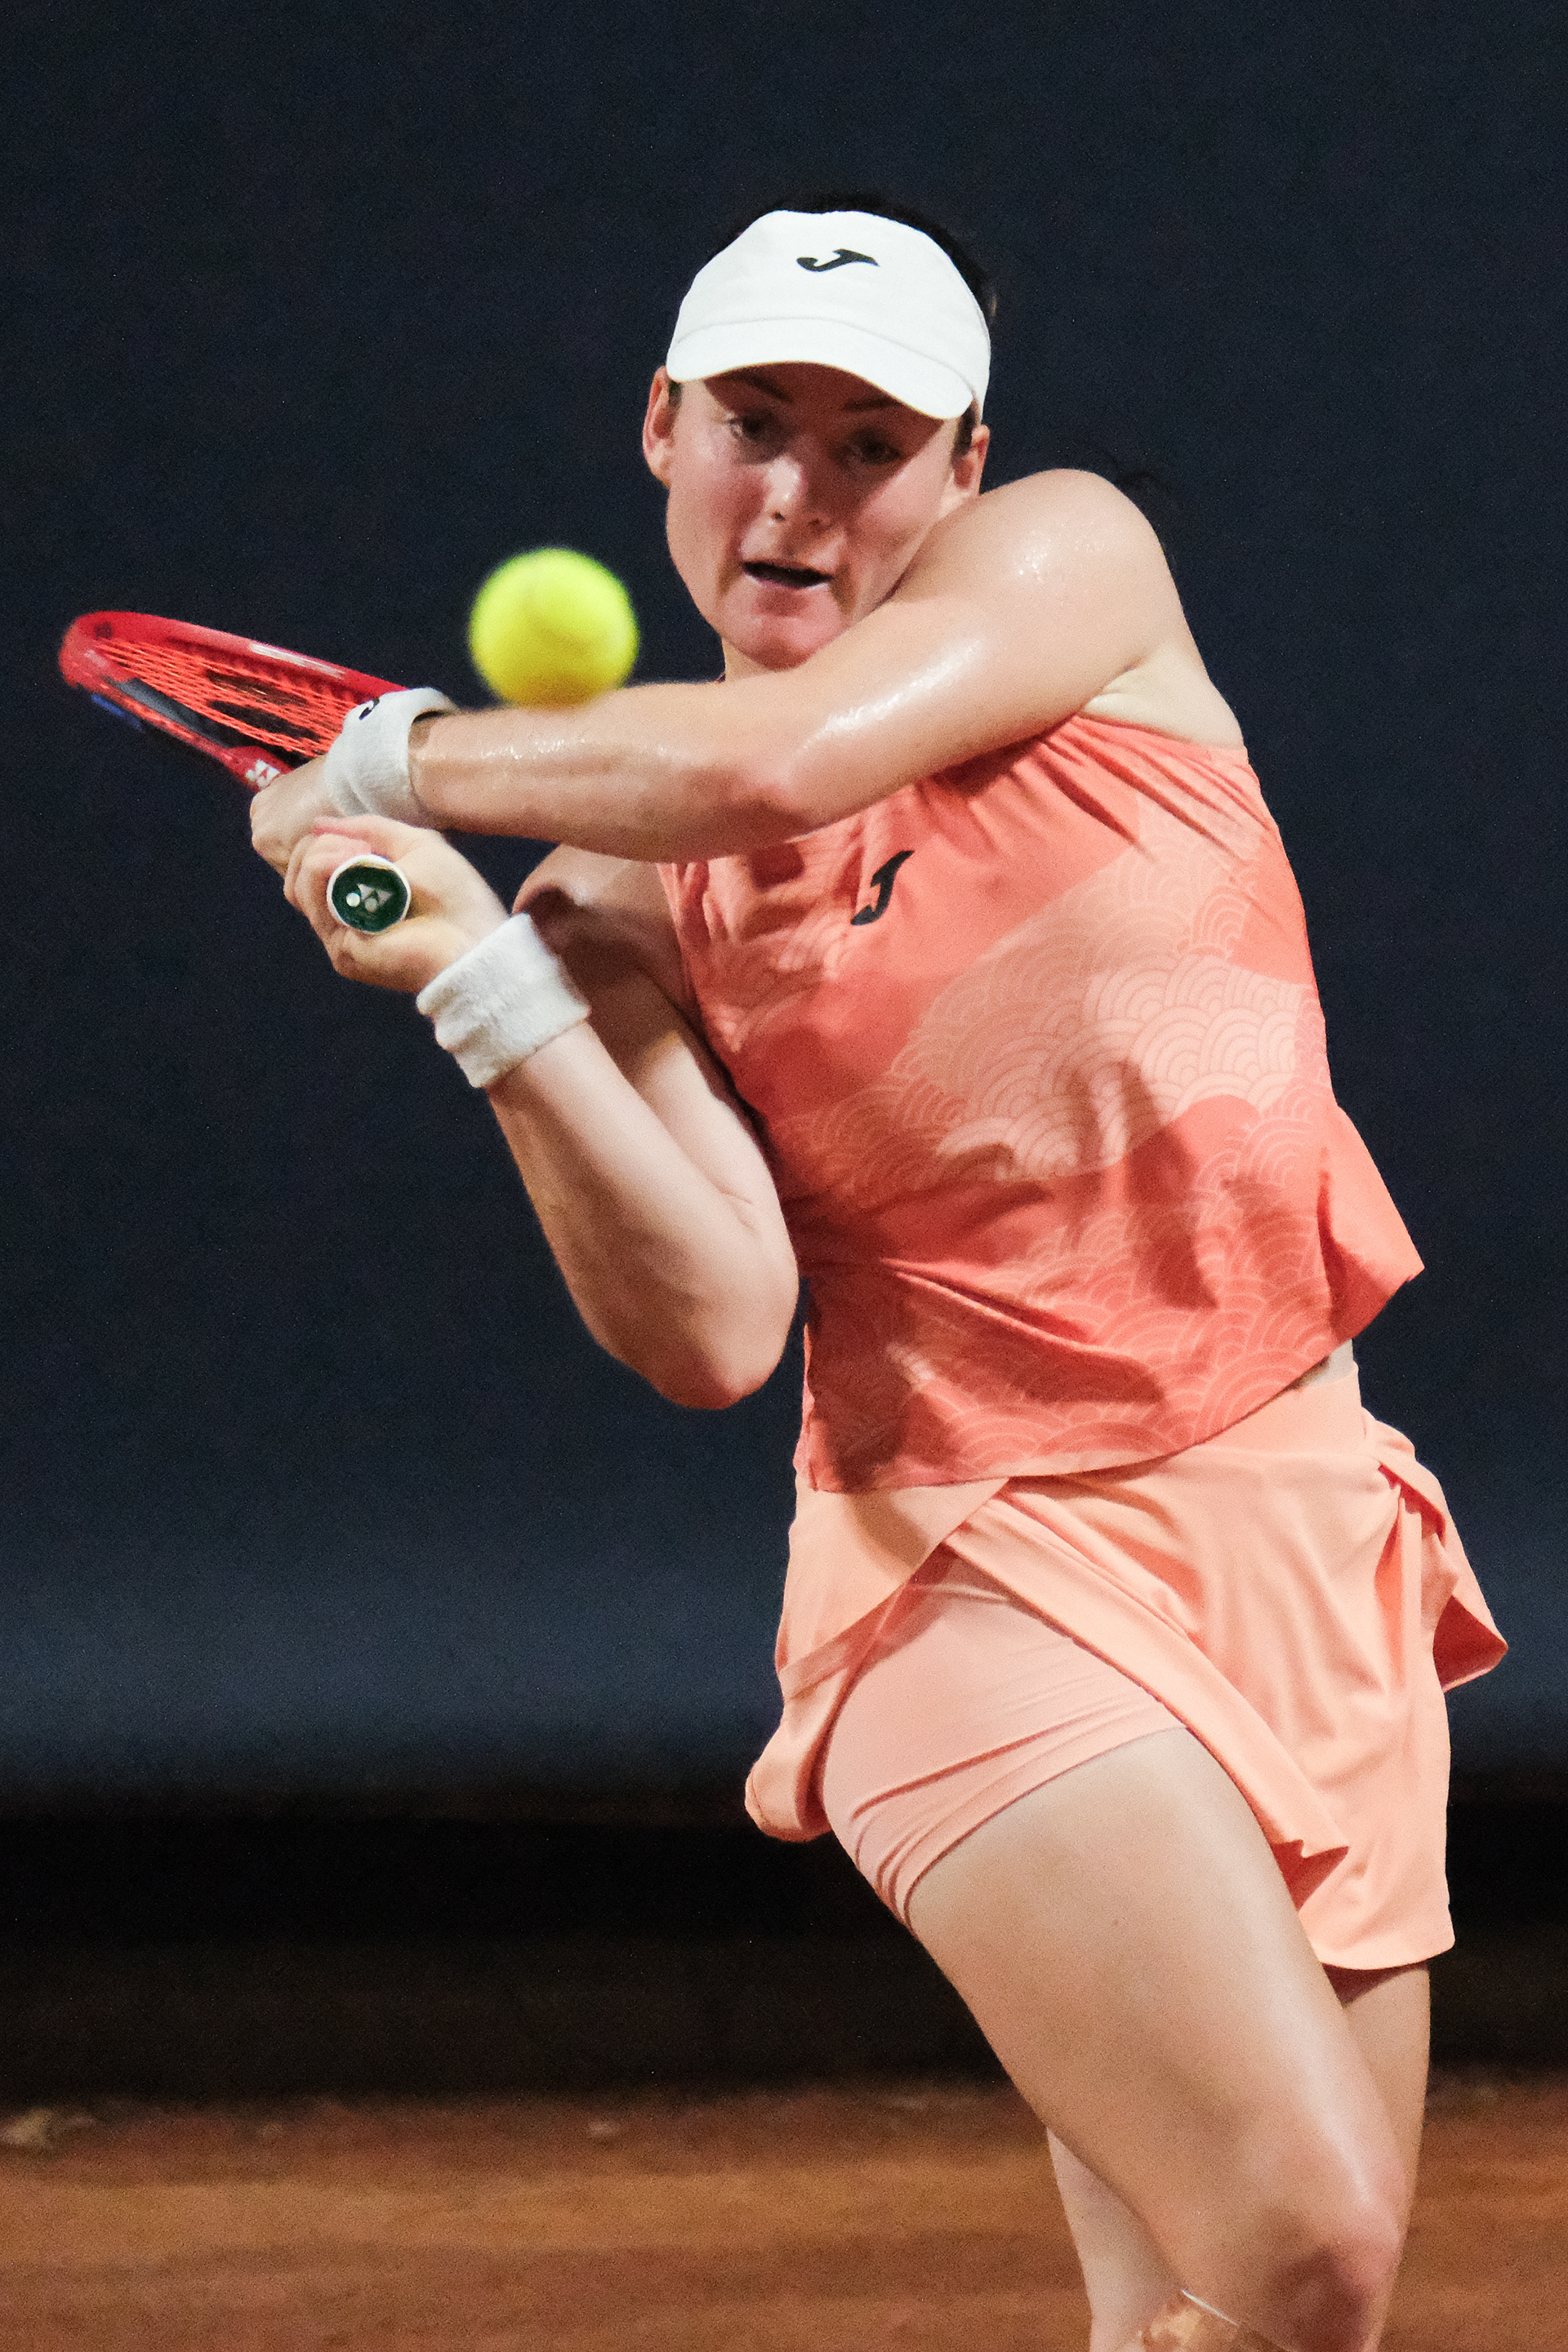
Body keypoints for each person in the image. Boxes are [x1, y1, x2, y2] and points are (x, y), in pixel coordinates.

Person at [252, 199, 1503, 2352]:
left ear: (966, 473)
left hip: (1306, 1529)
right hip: (968, 1567)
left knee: (1249, 2328)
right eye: (756, 423)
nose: (798, 493)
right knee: (1306, 2241)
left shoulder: (1079, 571)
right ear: (663, 428)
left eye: (868, 442)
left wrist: (394, 755)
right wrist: (479, 980)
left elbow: (776, 759)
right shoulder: (617, 899)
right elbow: (714, 1323)